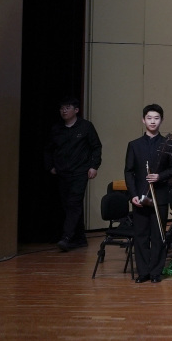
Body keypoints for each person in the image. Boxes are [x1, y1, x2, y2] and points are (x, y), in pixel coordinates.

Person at [123, 104, 172, 283]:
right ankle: (143, 272)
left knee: (158, 235)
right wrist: (133, 194)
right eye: (149, 118)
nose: (153, 121)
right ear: (143, 120)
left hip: (160, 197)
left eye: (156, 118)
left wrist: (159, 176)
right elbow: (128, 172)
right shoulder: (134, 145)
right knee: (141, 235)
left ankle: (156, 272)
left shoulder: (169, 144)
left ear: (161, 120)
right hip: (139, 196)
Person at [47, 97, 103, 251]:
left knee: (74, 203)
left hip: (80, 172)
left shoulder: (86, 127)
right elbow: (49, 149)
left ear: (76, 110)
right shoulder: (57, 129)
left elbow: (96, 147)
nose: (64, 111)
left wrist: (94, 166)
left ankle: (66, 238)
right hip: (62, 172)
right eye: (61, 108)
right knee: (68, 205)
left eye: (67, 107)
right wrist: (50, 166)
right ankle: (80, 238)